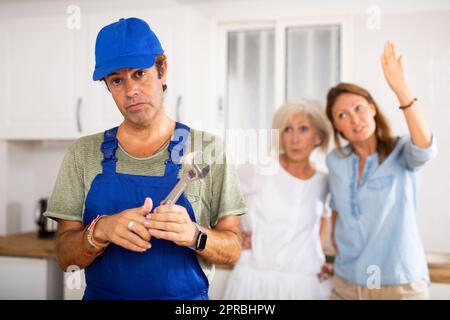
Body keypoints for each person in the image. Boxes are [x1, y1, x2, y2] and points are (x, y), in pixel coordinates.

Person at [44, 17, 247, 300]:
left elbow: (234, 249)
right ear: (108, 86)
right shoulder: (83, 153)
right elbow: (66, 258)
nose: (131, 91)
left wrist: (194, 235)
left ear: (162, 70)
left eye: (140, 73)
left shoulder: (208, 149)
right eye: (117, 80)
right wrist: (101, 230)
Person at [325, 41, 438, 300]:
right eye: (342, 115)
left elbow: (426, 149)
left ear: (373, 108)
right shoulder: (336, 160)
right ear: (336, 127)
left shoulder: (402, 151)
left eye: (359, 108)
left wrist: (402, 90)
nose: (354, 119)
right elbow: (335, 208)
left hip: (399, 283)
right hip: (347, 282)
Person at [223, 100, 333, 300]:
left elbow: (323, 217)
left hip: (304, 283)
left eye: (303, 129)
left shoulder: (324, 179)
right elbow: (218, 197)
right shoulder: (259, 169)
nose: (295, 139)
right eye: (287, 130)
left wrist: (317, 256)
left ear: (318, 137)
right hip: (254, 280)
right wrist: (232, 233)